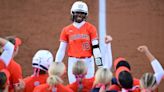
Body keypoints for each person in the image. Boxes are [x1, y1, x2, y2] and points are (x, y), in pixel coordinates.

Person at [55, 1, 103, 84]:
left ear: (85, 14)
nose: (79, 15)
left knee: (88, 86)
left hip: (88, 61)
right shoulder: (66, 30)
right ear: (73, 13)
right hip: (73, 61)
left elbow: (96, 48)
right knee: (74, 86)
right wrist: (56, 64)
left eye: (82, 13)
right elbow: (61, 50)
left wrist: (100, 65)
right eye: (77, 12)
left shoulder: (91, 28)